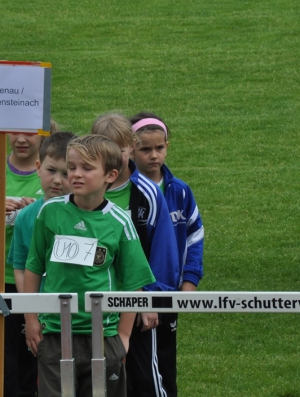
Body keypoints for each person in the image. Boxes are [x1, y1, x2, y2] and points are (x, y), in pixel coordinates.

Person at [24, 134, 155, 397]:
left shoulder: (120, 222)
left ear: (110, 175)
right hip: (55, 334)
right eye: (72, 167)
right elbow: (34, 267)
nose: (75, 175)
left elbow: (133, 284)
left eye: (86, 168)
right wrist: (31, 318)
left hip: (103, 336)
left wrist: (123, 337)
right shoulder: (49, 213)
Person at [91, 113, 180, 397]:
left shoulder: (148, 194)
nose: (114, 156)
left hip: (137, 304)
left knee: (146, 380)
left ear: (131, 146)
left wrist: (149, 299)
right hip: (96, 304)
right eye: (105, 149)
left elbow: (163, 252)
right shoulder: (88, 192)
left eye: (119, 149)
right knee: (101, 380)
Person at [0, 130, 50, 397]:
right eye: (15, 132)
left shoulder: (53, 174)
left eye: (29, 133)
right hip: (0, 281)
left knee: (36, 356)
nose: (21, 139)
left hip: (40, 282)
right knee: (2, 361)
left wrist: (37, 209)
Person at [129, 112, 205, 396]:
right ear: (131, 148)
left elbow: (194, 236)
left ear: (167, 147)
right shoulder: (127, 191)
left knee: (165, 360)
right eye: (145, 149)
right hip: (134, 291)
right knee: (135, 363)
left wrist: (190, 280)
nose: (153, 155)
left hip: (169, 292)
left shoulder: (180, 192)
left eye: (159, 148)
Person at [8, 131, 75, 293]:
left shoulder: (88, 213)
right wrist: (29, 312)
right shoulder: (25, 217)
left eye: (66, 173)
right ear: (38, 167)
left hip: (81, 311)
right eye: (51, 170)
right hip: (39, 311)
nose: (57, 180)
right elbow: (20, 268)